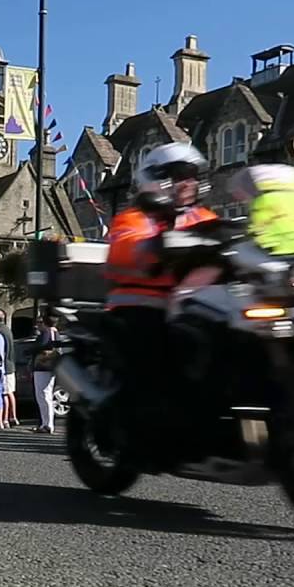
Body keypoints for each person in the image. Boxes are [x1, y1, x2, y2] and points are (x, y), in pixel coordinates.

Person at [104, 142, 217, 460]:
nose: (190, 183)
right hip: (142, 303)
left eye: (194, 176)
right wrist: (150, 248)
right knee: (154, 351)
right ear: (158, 178)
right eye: (182, 175)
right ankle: (139, 429)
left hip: (194, 304)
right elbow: (125, 244)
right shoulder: (138, 216)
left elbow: (227, 237)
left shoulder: (203, 216)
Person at [31, 314, 61, 434]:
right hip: (49, 367)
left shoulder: (47, 333)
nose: (38, 325)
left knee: (43, 395)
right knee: (45, 395)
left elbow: (42, 348)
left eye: (40, 322)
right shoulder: (55, 333)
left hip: (43, 367)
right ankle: (46, 423)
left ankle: (47, 424)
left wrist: (32, 350)